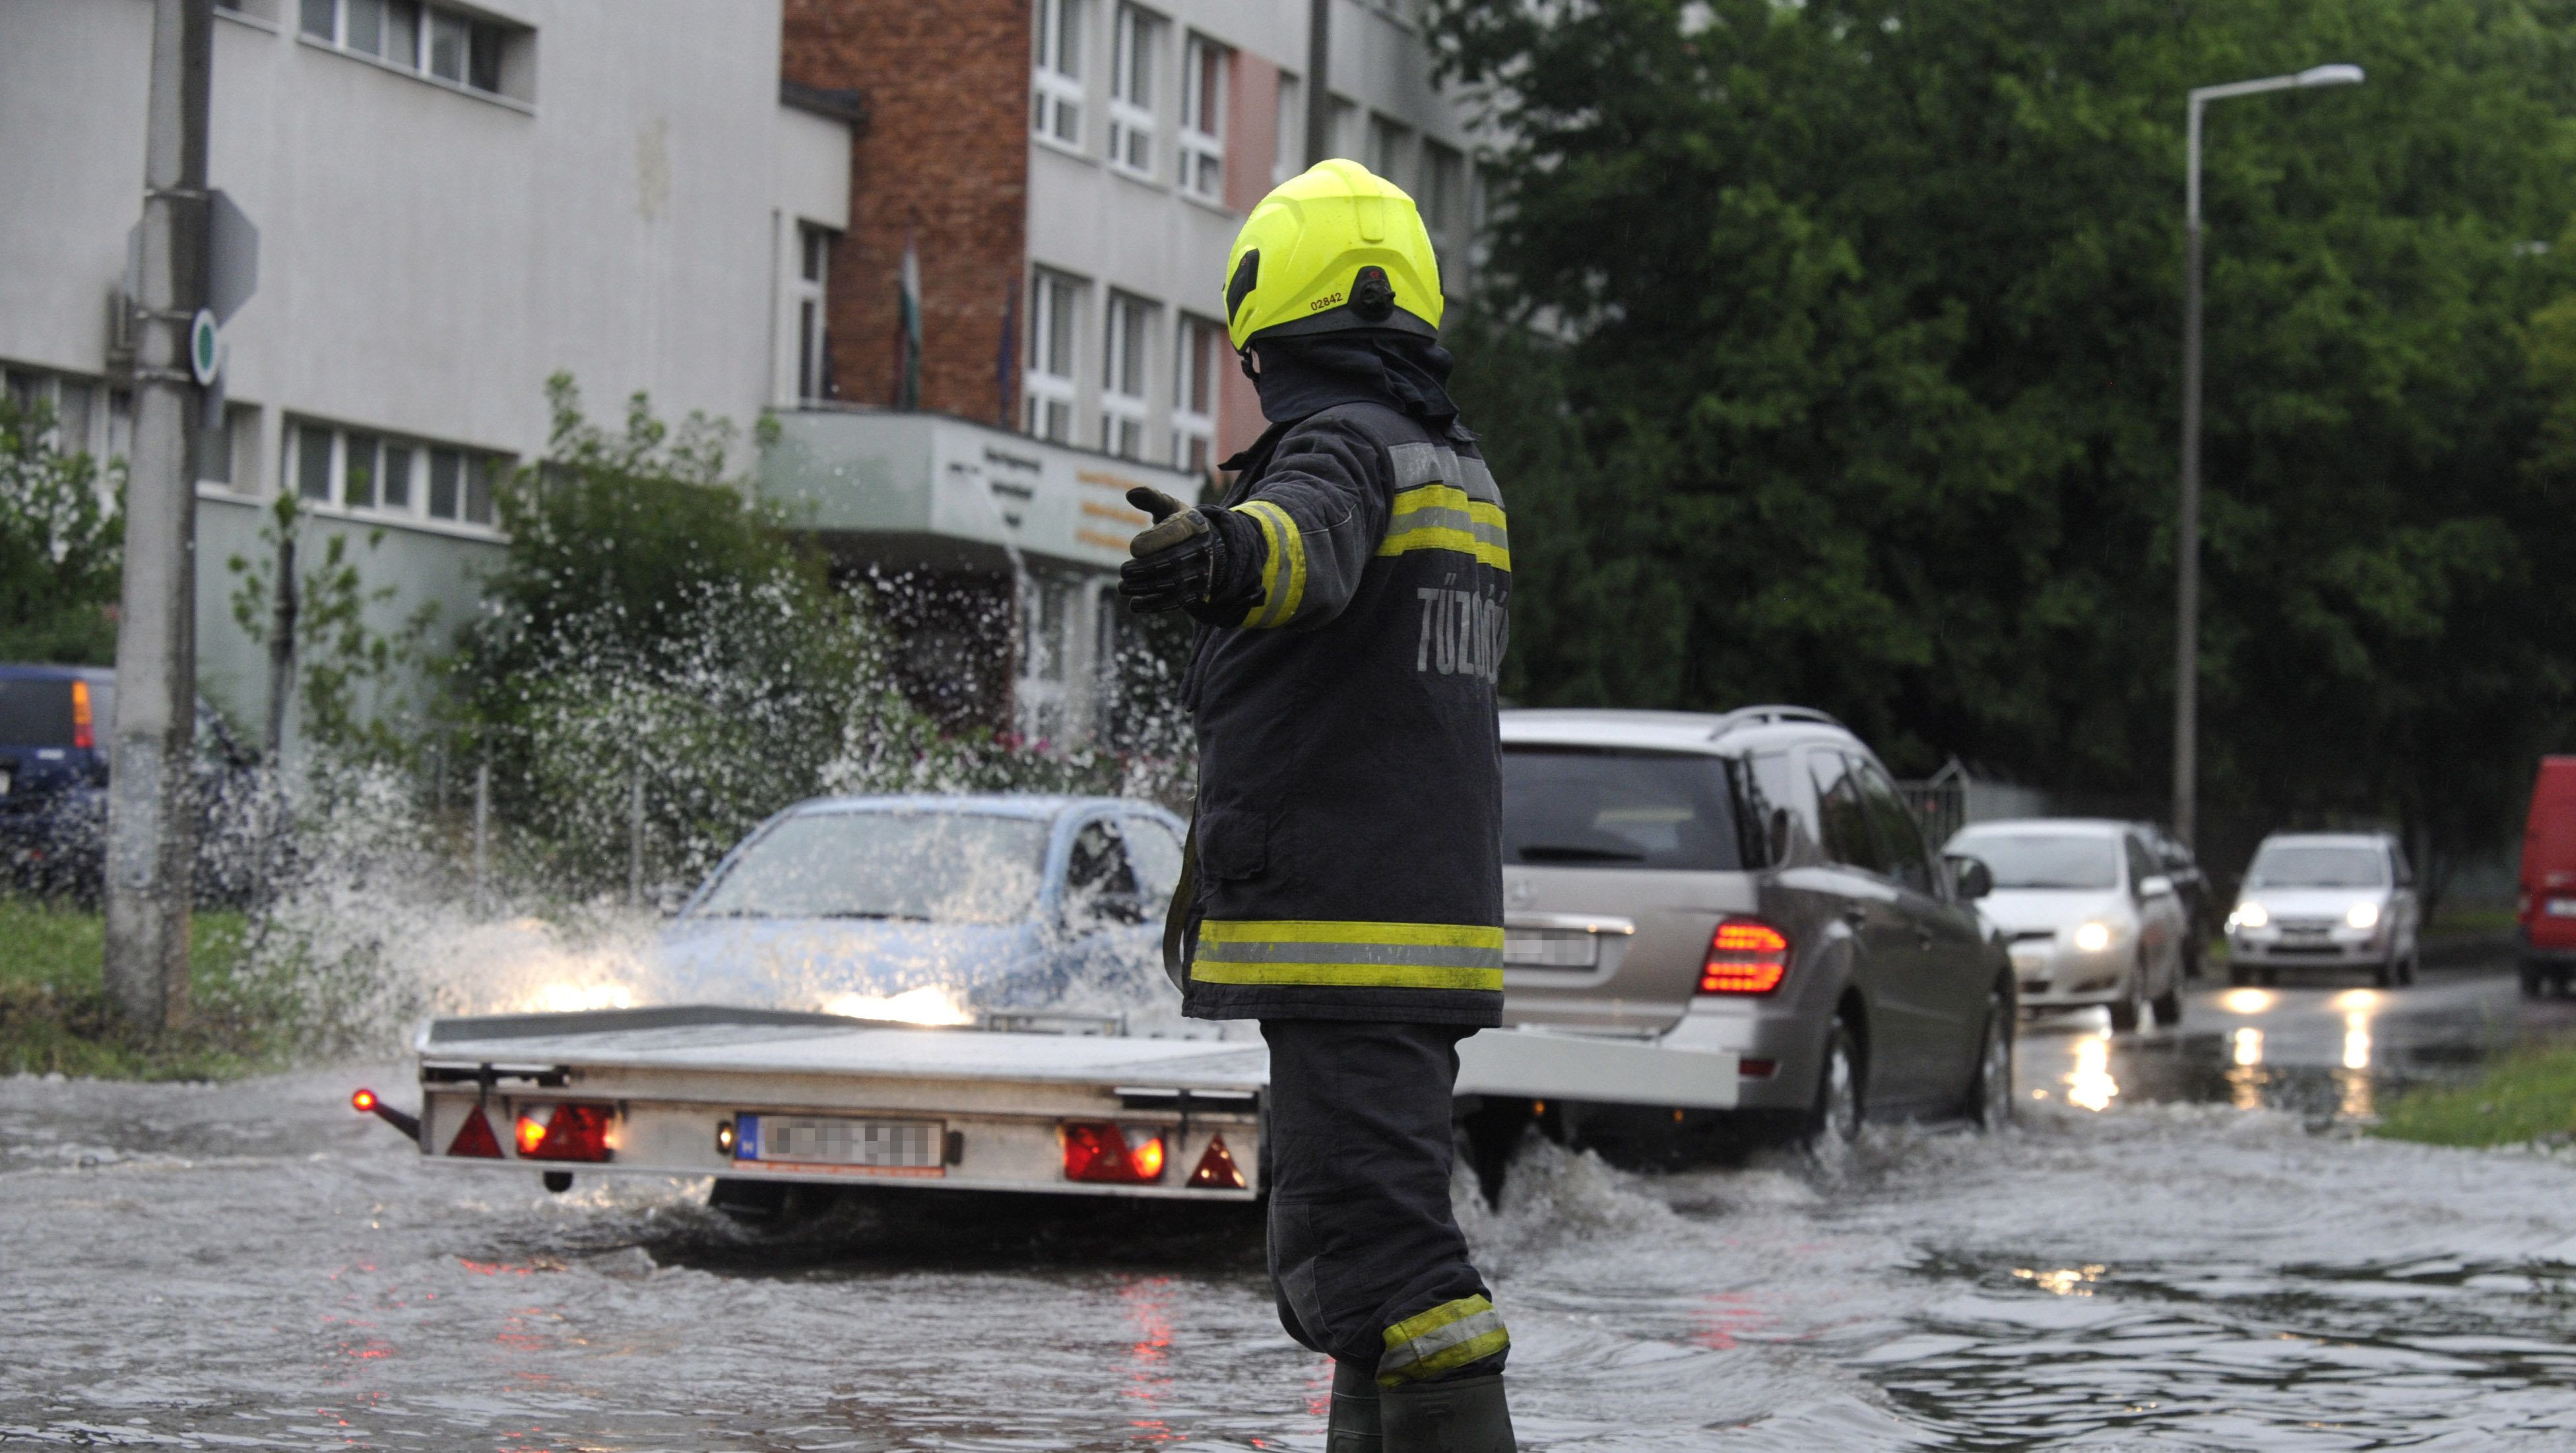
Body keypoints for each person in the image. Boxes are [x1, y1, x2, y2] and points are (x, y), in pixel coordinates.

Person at [1119, 159, 1516, 1453]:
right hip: (1406, 935)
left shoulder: (1342, 445)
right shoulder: (1451, 464)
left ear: (1263, 324)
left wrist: (1221, 552)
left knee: (1390, 1272)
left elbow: (1304, 547)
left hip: (1341, 932)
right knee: (1350, 1265)